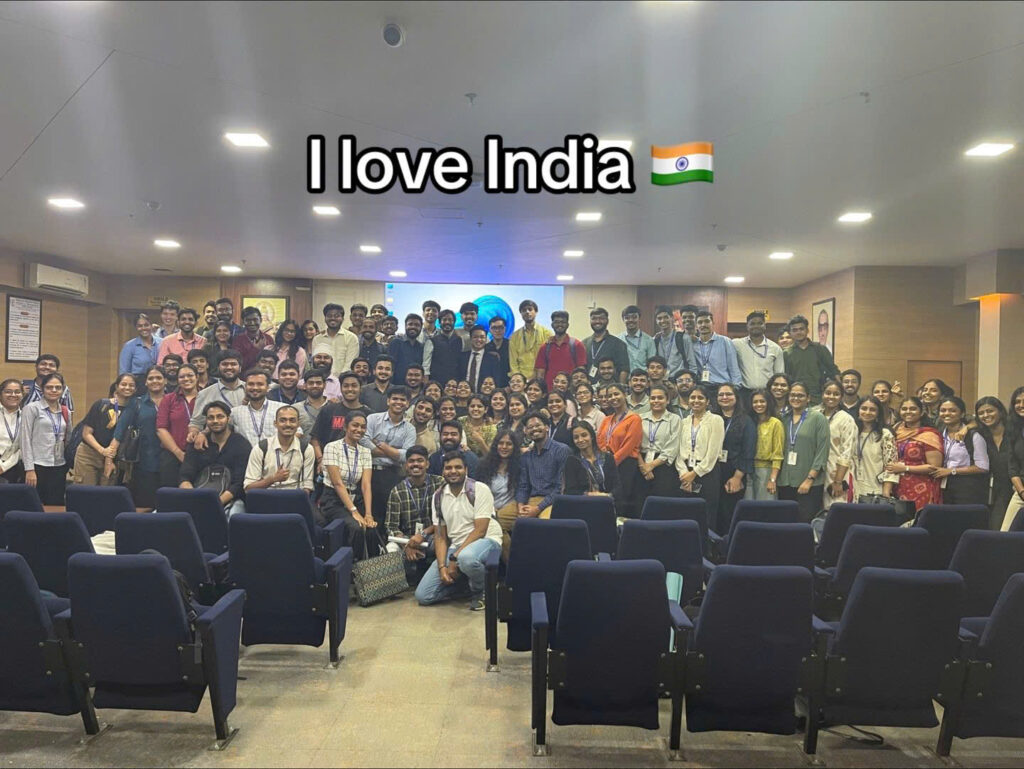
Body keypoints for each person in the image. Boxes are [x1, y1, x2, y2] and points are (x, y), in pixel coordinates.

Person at [415, 451, 502, 610]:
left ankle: (482, 591)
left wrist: (454, 558)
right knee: (423, 596)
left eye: (458, 467)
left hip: (486, 540)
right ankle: (465, 585)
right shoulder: (438, 496)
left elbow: (480, 531)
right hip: (456, 546)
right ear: (443, 472)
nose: (453, 471)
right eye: (448, 468)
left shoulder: (479, 489)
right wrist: (442, 567)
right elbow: (440, 536)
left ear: (466, 470)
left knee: (466, 558)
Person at [319, 410, 377, 559]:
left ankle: (370, 568)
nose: (359, 429)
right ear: (345, 427)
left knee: (372, 528)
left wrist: (368, 514)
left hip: (355, 497)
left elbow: (366, 485)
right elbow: (337, 483)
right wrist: (354, 512)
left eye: (363, 427)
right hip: (333, 499)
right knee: (356, 527)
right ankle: (351, 566)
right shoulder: (332, 447)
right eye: (355, 425)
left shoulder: (365, 452)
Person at [385, 446, 444, 585]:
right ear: (406, 465)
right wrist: (407, 545)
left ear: (427, 464)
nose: (415, 464)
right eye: (411, 461)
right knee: (391, 548)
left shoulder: (439, 484)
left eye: (420, 460)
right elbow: (391, 526)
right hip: (407, 539)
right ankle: (397, 586)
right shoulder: (397, 491)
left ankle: (439, 580)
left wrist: (423, 534)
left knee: (445, 541)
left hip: (433, 536)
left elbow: (444, 518)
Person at [108, 366, 166, 508]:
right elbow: (120, 431)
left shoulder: (173, 401)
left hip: (170, 462)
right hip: (144, 464)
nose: (155, 381)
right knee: (145, 506)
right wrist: (109, 459)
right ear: (145, 382)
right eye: (151, 378)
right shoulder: (137, 403)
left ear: (165, 381)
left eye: (158, 378)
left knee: (167, 506)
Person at [178, 401, 250, 515]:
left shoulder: (241, 445)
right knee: (159, 513)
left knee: (234, 515)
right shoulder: (196, 444)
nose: (215, 421)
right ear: (206, 421)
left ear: (228, 419)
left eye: (220, 416)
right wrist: (194, 499)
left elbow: (239, 484)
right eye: (211, 418)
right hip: (197, 497)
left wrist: (215, 503)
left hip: (230, 499)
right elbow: (184, 477)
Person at [776, 382, 831, 522]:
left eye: (800, 395)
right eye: (793, 395)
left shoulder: (818, 418)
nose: (796, 398)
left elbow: (822, 451)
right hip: (785, 481)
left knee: (804, 523)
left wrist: (809, 479)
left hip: (808, 482)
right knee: (785, 522)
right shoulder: (784, 418)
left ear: (808, 398)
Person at [362, 386, 416, 524]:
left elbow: (406, 456)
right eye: (395, 399)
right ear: (388, 401)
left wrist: (381, 445)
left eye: (402, 400)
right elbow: (364, 442)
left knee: (387, 515)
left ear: (407, 403)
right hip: (369, 472)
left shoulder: (410, 429)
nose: (398, 402)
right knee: (366, 514)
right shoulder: (373, 419)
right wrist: (393, 452)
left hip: (392, 475)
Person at [675, 385, 725, 531]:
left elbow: (713, 453)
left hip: (707, 472)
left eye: (700, 398)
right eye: (693, 397)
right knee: (686, 514)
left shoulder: (716, 420)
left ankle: (706, 544)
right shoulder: (683, 422)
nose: (696, 401)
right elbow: (678, 451)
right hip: (685, 473)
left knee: (706, 514)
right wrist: (684, 473)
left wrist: (694, 473)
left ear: (708, 401)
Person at [885, 396, 944, 514]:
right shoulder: (895, 431)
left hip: (921, 488)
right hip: (897, 486)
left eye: (913, 409)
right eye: (904, 409)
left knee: (917, 520)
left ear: (921, 412)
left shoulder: (929, 435)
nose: (908, 412)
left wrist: (905, 468)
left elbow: (934, 467)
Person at [72, 375, 134, 486]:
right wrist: (103, 451)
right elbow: (86, 433)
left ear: (136, 389)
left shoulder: (134, 410)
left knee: (106, 493)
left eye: (131, 385)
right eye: (124, 384)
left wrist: (109, 457)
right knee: (86, 491)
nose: (127, 387)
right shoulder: (101, 404)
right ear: (117, 386)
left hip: (114, 458)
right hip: (89, 454)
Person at [21, 372, 70, 504]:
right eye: (49, 387)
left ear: (63, 389)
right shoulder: (31, 408)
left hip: (59, 465)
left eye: (58, 387)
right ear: (42, 389)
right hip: (37, 465)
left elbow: (68, 438)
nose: (54, 390)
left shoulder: (65, 411)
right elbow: (25, 440)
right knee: (34, 505)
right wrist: (29, 469)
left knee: (56, 505)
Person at [243, 405, 315, 495]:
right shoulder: (261, 448)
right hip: (266, 496)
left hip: (294, 497)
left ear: (298, 424)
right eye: (283, 420)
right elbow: (248, 488)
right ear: (275, 424)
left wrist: (298, 501)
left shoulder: (306, 449)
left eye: (292, 420)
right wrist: (272, 479)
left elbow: (307, 486)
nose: (288, 424)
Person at [714, 383, 757, 534]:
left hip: (733, 471)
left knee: (729, 513)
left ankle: (728, 543)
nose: (724, 397)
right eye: (721, 395)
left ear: (736, 397)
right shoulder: (712, 418)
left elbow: (748, 451)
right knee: (714, 512)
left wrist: (738, 477)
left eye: (728, 394)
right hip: (712, 471)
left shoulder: (746, 421)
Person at [596, 382, 643, 517]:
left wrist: (611, 462)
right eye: (609, 396)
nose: (613, 398)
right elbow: (599, 440)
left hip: (625, 465)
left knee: (621, 502)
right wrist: (603, 460)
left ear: (625, 395)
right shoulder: (607, 419)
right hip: (606, 463)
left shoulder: (634, 419)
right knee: (607, 501)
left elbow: (628, 446)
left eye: (616, 394)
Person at [475, 428, 522, 561]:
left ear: (514, 447)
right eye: (501, 443)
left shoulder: (520, 466)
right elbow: (478, 492)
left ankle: (498, 567)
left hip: (510, 511)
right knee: (498, 532)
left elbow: (521, 491)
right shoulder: (483, 465)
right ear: (496, 445)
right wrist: (490, 508)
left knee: (497, 527)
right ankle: (510, 567)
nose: (504, 447)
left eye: (509, 444)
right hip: (488, 510)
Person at [933, 396, 990, 506]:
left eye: (952, 410)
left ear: (962, 414)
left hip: (967, 487)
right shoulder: (938, 434)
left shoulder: (973, 435)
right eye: (943, 410)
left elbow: (983, 467)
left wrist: (952, 471)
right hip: (944, 486)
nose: (947, 413)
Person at [515, 411, 571, 519]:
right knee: (502, 517)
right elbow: (523, 486)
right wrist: (520, 506)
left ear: (547, 427)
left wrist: (537, 508)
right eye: (530, 427)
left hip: (553, 500)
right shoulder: (526, 456)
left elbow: (561, 488)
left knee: (544, 522)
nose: (534, 429)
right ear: (526, 431)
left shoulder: (561, 450)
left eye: (537, 425)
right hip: (530, 499)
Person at [310, 371, 367, 471]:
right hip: (329, 464)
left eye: (354, 386)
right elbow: (315, 439)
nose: (350, 389)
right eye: (346, 386)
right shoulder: (328, 410)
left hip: (358, 467)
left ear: (360, 388)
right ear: (340, 388)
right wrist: (321, 460)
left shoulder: (369, 414)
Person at [156, 363, 200, 488]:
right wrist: (178, 453)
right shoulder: (168, 399)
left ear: (197, 377)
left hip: (200, 454)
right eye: (182, 377)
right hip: (172, 455)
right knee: (171, 494)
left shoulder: (206, 397)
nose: (186, 379)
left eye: (190, 375)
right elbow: (161, 428)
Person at [637, 384, 682, 505]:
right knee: (641, 503)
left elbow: (673, 447)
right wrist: (643, 467)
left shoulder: (674, 419)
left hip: (663, 465)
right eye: (653, 398)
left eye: (660, 398)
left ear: (667, 400)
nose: (656, 401)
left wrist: (651, 466)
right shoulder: (639, 418)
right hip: (641, 463)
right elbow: (634, 444)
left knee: (662, 504)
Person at [816, 379, 858, 509]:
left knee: (836, 509)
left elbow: (847, 452)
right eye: (828, 393)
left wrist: (838, 481)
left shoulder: (846, 419)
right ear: (822, 394)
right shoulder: (815, 414)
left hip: (837, 472)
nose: (831, 397)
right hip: (816, 471)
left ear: (841, 397)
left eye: (836, 394)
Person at [188, 350, 245, 441]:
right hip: (217, 443)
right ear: (218, 367)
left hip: (249, 442)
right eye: (224, 364)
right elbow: (196, 423)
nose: (229, 367)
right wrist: (194, 434)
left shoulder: (251, 390)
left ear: (240, 368)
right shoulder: (205, 394)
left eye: (233, 364)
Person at [850, 396, 899, 499]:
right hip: (853, 489)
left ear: (878, 413)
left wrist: (886, 493)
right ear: (858, 410)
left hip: (876, 490)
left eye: (872, 410)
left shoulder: (885, 434)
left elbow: (891, 466)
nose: (867, 412)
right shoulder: (852, 432)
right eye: (864, 408)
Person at [783, 314, 839, 404]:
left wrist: (841, 390)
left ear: (807, 330)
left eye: (801, 329)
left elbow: (833, 371)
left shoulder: (820, 349)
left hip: (818, 398)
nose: (798, 332)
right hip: (796, 399)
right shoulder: (786, 353)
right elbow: (785, 378)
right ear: (790, 333)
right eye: (795, 330)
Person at [975, 397, 1012, 529]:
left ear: (1000, 411)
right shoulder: (979, 435)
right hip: (991, 489)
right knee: (995, 526)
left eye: (990, 411)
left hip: (1015, 485)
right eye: (981, 413)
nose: (986, 415)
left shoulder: (1015, 432)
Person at [564, 420, 620, 502]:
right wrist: (592, 495)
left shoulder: (608, 458)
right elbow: (570, 491)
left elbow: (617, 487)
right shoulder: (572, 461)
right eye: (576, 437)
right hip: (583, 503)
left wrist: (607, 496)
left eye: (584, 435)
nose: (580, 440)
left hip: (608, 502)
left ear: (592, 436)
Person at [732, 311, 784, 398]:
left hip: (767, 394)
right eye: (752, 323)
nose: (756, 326)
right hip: (744, 394)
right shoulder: (737, 344)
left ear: (765, 325)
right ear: (747, 326)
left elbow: (779, 375)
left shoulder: (775, 348)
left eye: (760, 323)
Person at [534, 310, 587, 391]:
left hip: (571, 392)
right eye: (556, 322)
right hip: (550, 392)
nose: (560, 325)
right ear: (552, 325)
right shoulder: (545, 347)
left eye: (563, 322)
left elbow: (581, 372)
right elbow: (540, 374)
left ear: (567, 325)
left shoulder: (577, 345)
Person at [747, 388, 784, 500]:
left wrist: (772, 479)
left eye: (762, 401)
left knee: (764, 505)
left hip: (766, 470)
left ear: (768, 403)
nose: (759, 404)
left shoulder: (775, 423)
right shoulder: (749, 422)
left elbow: (778, 453)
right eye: (755, 402)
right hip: (748, 469)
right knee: (748, 505)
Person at [692, 310, 741, 392]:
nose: (703, 325)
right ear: (696, 326)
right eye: (700, 322)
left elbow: (734, 368)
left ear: (713, 323)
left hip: (722, 387)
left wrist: (736, 387)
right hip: (702, 388)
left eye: (707, 321)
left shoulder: (725, 341)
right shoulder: (694, 345)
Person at [582, 307, 630, 384]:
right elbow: (581, 368)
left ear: (607, 321)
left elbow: (624, 370)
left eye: (601, 318)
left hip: (612, 388)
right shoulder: (584, 344)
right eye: (594, 318)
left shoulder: (618, 344)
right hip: (589, 388)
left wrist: (620, 387)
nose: (597, 321)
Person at [508, 299, 551, 381]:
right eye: (524, 310)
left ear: (536, 312)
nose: (527, 312)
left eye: (530, 309)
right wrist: (520, 380)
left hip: (541, 379)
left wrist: (540, 378)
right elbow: (513, 364)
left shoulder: (547, 334)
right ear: (521, 314)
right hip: (521, 380)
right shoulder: (514, 337)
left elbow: (549, 359)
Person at [1001, 387, 1024, 530]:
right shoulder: (1014, 429)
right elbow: (1012, 466)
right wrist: (1021, 491)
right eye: (1017, 402)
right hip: (1021, 491)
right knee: (1005, 533)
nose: (1021, 405)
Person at [313, 303, 358, 376]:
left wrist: (338, 379)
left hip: (343, 380)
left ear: (342, 319)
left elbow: (350, 363)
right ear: (325, 318)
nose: (333, 318)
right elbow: (315, 362)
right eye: (329, 316)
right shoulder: (317, 339)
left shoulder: (351, 338)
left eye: (336, 316)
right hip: (322, 380)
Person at [653, 305, 697, 380]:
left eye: (666, 317)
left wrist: (691, 381)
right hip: (662, 381)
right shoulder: (655, 340)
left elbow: (692, 365)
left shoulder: (683, 338)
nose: (663, 321)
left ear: (672, 318)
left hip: (679, 381)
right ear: (656, 321)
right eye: (659, 318)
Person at [387, 314, 427, 386]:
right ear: (405, 326)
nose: (413, 327)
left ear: (421, 328)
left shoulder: (421, 347)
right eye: (410, 324)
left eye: (417, 325)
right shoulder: (396, 342)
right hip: (396, 386)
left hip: (415, 386)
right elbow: (390, 366)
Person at [460, 325, 503, 393]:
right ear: (470, 339)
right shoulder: (462, 357)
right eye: (475, 337)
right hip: (464, 394)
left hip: (485, 395)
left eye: (482, 337)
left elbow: (497, 380)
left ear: (486, 339)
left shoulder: (493, 358)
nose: (479, 340)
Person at [427, 309, 463, 388]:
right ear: (440, 322)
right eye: (444, 320)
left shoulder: (459, 340)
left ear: (454, 322)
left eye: (450, 320)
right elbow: (426, 364)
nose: (447, 322)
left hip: (455, 383)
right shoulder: (432, 341)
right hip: (437, 383)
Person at [232, 306, 274, 371]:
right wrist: (256, 349)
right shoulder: (238, 340)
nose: (252, 323)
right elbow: (238, 365)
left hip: (266, 375)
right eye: (248, 320)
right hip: (245, 376)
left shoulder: (268, 339)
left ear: (260, 320)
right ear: (243, 322)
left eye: (255, 320)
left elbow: (273, 361)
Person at [119, 314, 160, 378]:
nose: (143, 328)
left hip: (159, 380)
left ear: (151, 326)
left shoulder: (162, 342)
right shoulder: (129, 346)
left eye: (146, 325)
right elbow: (124, 372)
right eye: (140, 326)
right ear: (136, 328)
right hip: (138, 381)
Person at [0, 379, 25, 483]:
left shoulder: (26, 417)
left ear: (22, 395)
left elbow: (25, 447)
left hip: (15, 467)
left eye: (17, 392)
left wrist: (4, 466)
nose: (13, 395)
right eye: (8, 392)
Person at [620, 305, 657, 374]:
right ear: (623, 320)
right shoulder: (618, 340)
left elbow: (652, 364)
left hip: (643, 378)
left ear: (639, 319)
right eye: (627, 318)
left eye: (634, 317)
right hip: (624, 378)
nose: (631, 320)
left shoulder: (649, 340)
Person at [297, 368, 329, 435]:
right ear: (305, 385)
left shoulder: (334, 407)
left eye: (318, 383)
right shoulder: (296, 408)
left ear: (325, 385)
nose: (315, 386)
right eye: (311, 383)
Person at [484, 316, 511, 387]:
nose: (497, 330)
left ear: (505, 329)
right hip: (490, 386)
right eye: (494, 328)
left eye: (500, 327)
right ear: (490, 330)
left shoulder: (512, 346)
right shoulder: (485, 348)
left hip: (508, 386)